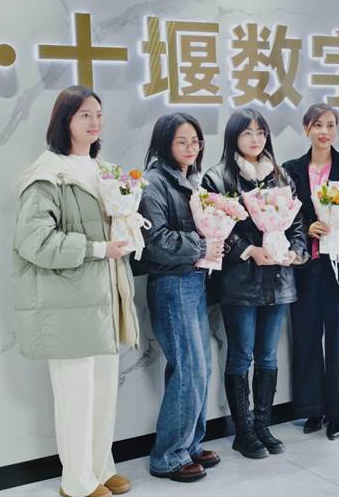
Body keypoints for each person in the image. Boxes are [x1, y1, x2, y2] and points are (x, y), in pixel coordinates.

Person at [13, 85, 138, 497]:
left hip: (103, 299)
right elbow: (35, 242)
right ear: (64, 120)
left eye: (98, 114)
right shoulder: (47, 174)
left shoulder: (104, 170)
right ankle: (76, 481)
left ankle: (100, 468)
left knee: (103, 391)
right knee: (75, 397)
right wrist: (99, 248)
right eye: (84, 114)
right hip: (66, 304)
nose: (94, 122)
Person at [202, 108, 308, 458]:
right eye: (247, 132)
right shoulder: (217, 177)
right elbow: (215, 227)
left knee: (267, 355)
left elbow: (297, 224)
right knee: (241, 354)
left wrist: (294, 252)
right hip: (239, 282)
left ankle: (263, 425)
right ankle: (243, 430)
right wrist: (248, 250)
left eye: (261, 132)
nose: (255, 139)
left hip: (278, 278)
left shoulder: (281, 176)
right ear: (233, 136)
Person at [282, 103, 339, 440]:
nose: (325, 131)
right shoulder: (289, 170)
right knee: (306, 340)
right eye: (318, 125)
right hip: (306, 268)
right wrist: (307, 227)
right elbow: (283, 217)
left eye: (331, 125)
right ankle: (312, 408)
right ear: (306, 128)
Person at [139, 113, 222, 482]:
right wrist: (204, 245)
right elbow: (155, 242)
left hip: (194, 280)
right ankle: (168, 455)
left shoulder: (190, 180)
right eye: (182, 142)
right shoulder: (154, 182)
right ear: (165, 144)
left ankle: (189, 444)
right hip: (171, 284)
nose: (191, 148)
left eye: (195, 141)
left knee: (200, 368)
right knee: (189, 369)